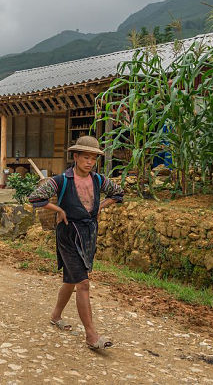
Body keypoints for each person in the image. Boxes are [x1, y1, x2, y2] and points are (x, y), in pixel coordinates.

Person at [28, 136, 124, 350]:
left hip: (88, 234)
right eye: (85, 157)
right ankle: (91, 335)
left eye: (93, 158)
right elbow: (35, 198)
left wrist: (102, 205)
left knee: (72, 280)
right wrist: (59, 209)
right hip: (68, 234)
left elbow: (118, 193)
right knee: (83, 282)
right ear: (76, 157)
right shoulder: (61, 180)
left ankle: (55, 316)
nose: (89, 162)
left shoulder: (99, 180)